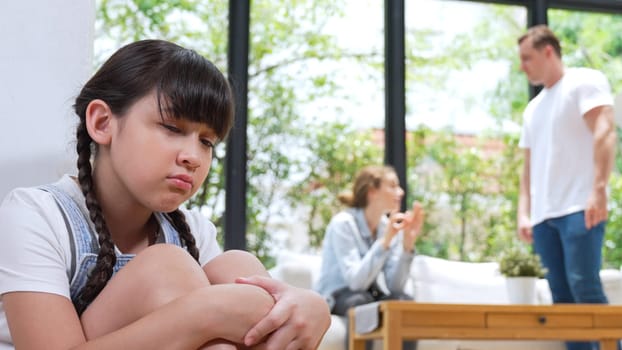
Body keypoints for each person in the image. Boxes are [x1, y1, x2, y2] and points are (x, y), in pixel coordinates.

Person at [0, 39, 330, 350]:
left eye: (207, 141)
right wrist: (205, 312)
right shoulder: (36, 214)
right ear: (102, 123)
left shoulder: (194, 231)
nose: (194, 156)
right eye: (172, 128)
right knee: (166, 267)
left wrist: (308, 306)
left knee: (237, 265)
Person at [516, 25, 617, 350]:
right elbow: (528, 169)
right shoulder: (533, 108)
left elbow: (605, 131)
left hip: (579, 207)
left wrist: (598, 189)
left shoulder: (583, 82)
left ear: (548, 51)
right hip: (544, 217)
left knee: (584, 288)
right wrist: (524, 213)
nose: (523, 66)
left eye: (527, 58)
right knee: (561, 301)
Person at [315, 165, 424, 350]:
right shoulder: (343, 224)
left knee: (403, 301)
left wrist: (407, 246)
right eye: (392, 185)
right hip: (339, 296)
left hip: (369, 295)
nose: (401, 191)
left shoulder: (386, 227)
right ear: (372, 191)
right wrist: (384, 242)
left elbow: (393, 287)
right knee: (361, 302)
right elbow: (355, 283)